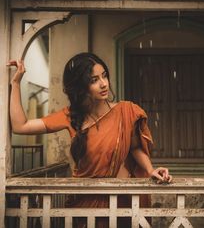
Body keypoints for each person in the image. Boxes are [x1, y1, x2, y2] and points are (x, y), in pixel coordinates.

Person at [8, 53, 172, 228]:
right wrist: (16, 83)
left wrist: (150, 170)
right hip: (85, 202)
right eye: (94, 80)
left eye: (104, 75)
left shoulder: (126, 111)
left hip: (121, 202)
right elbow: (21, 126)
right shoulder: (70, 116)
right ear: (81, 87)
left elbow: (135, 148)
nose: (104, 83)